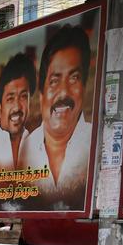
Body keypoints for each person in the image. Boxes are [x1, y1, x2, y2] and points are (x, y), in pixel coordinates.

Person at [20, 24, 94, 206]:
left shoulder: (97, 144)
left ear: (83, 87)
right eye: (54, 81)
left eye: (74, 78)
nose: (63, 92)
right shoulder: (25, 148)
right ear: (42, 92)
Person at [0, 53, 36, 167]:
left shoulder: (38, 146)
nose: (17, 107)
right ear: (0, 108)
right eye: (10, 98)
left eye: (23, 96)